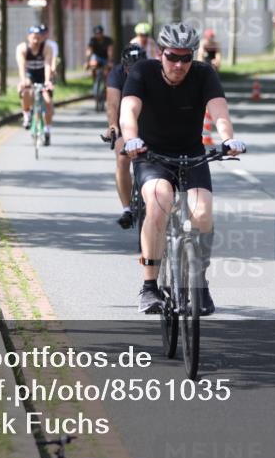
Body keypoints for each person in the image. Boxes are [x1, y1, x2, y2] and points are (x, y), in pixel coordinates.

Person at [120, 22, 247, 315]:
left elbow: (219, 113)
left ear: (194, 56)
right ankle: (150, 287)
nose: (179, 64)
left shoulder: (204, 74)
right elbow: (129, 111)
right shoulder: (142, 72)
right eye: (172, 56)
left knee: (201, 213)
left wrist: (228, 140)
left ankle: (199, 283)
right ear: (160, 53)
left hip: (192, 155)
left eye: (186, 57)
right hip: (150, 155)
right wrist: (131, 139)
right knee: (159, 201)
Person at [105, 44, 147, 229]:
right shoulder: (116, 74)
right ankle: (127, 209)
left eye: (139, 67)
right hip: (124, 121)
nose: (135, 72)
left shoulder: (155, 71)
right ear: (124, 66)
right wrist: (113, 125)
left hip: (149, 122)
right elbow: (113, 103)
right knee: (122, 159)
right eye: (131, 69)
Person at [16, 25, 55, 145]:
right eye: (33, 37)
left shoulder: (47, 48)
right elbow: (21, 66)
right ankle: (27, 116)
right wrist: (23, 80)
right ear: (28, 37)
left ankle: (47, 130)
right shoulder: (22, 48)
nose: (36, 40)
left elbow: (48, 64)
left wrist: (48, 81)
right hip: (29, 75)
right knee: (26, 91)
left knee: (48, 102)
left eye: (38, 37)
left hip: (42, 76)